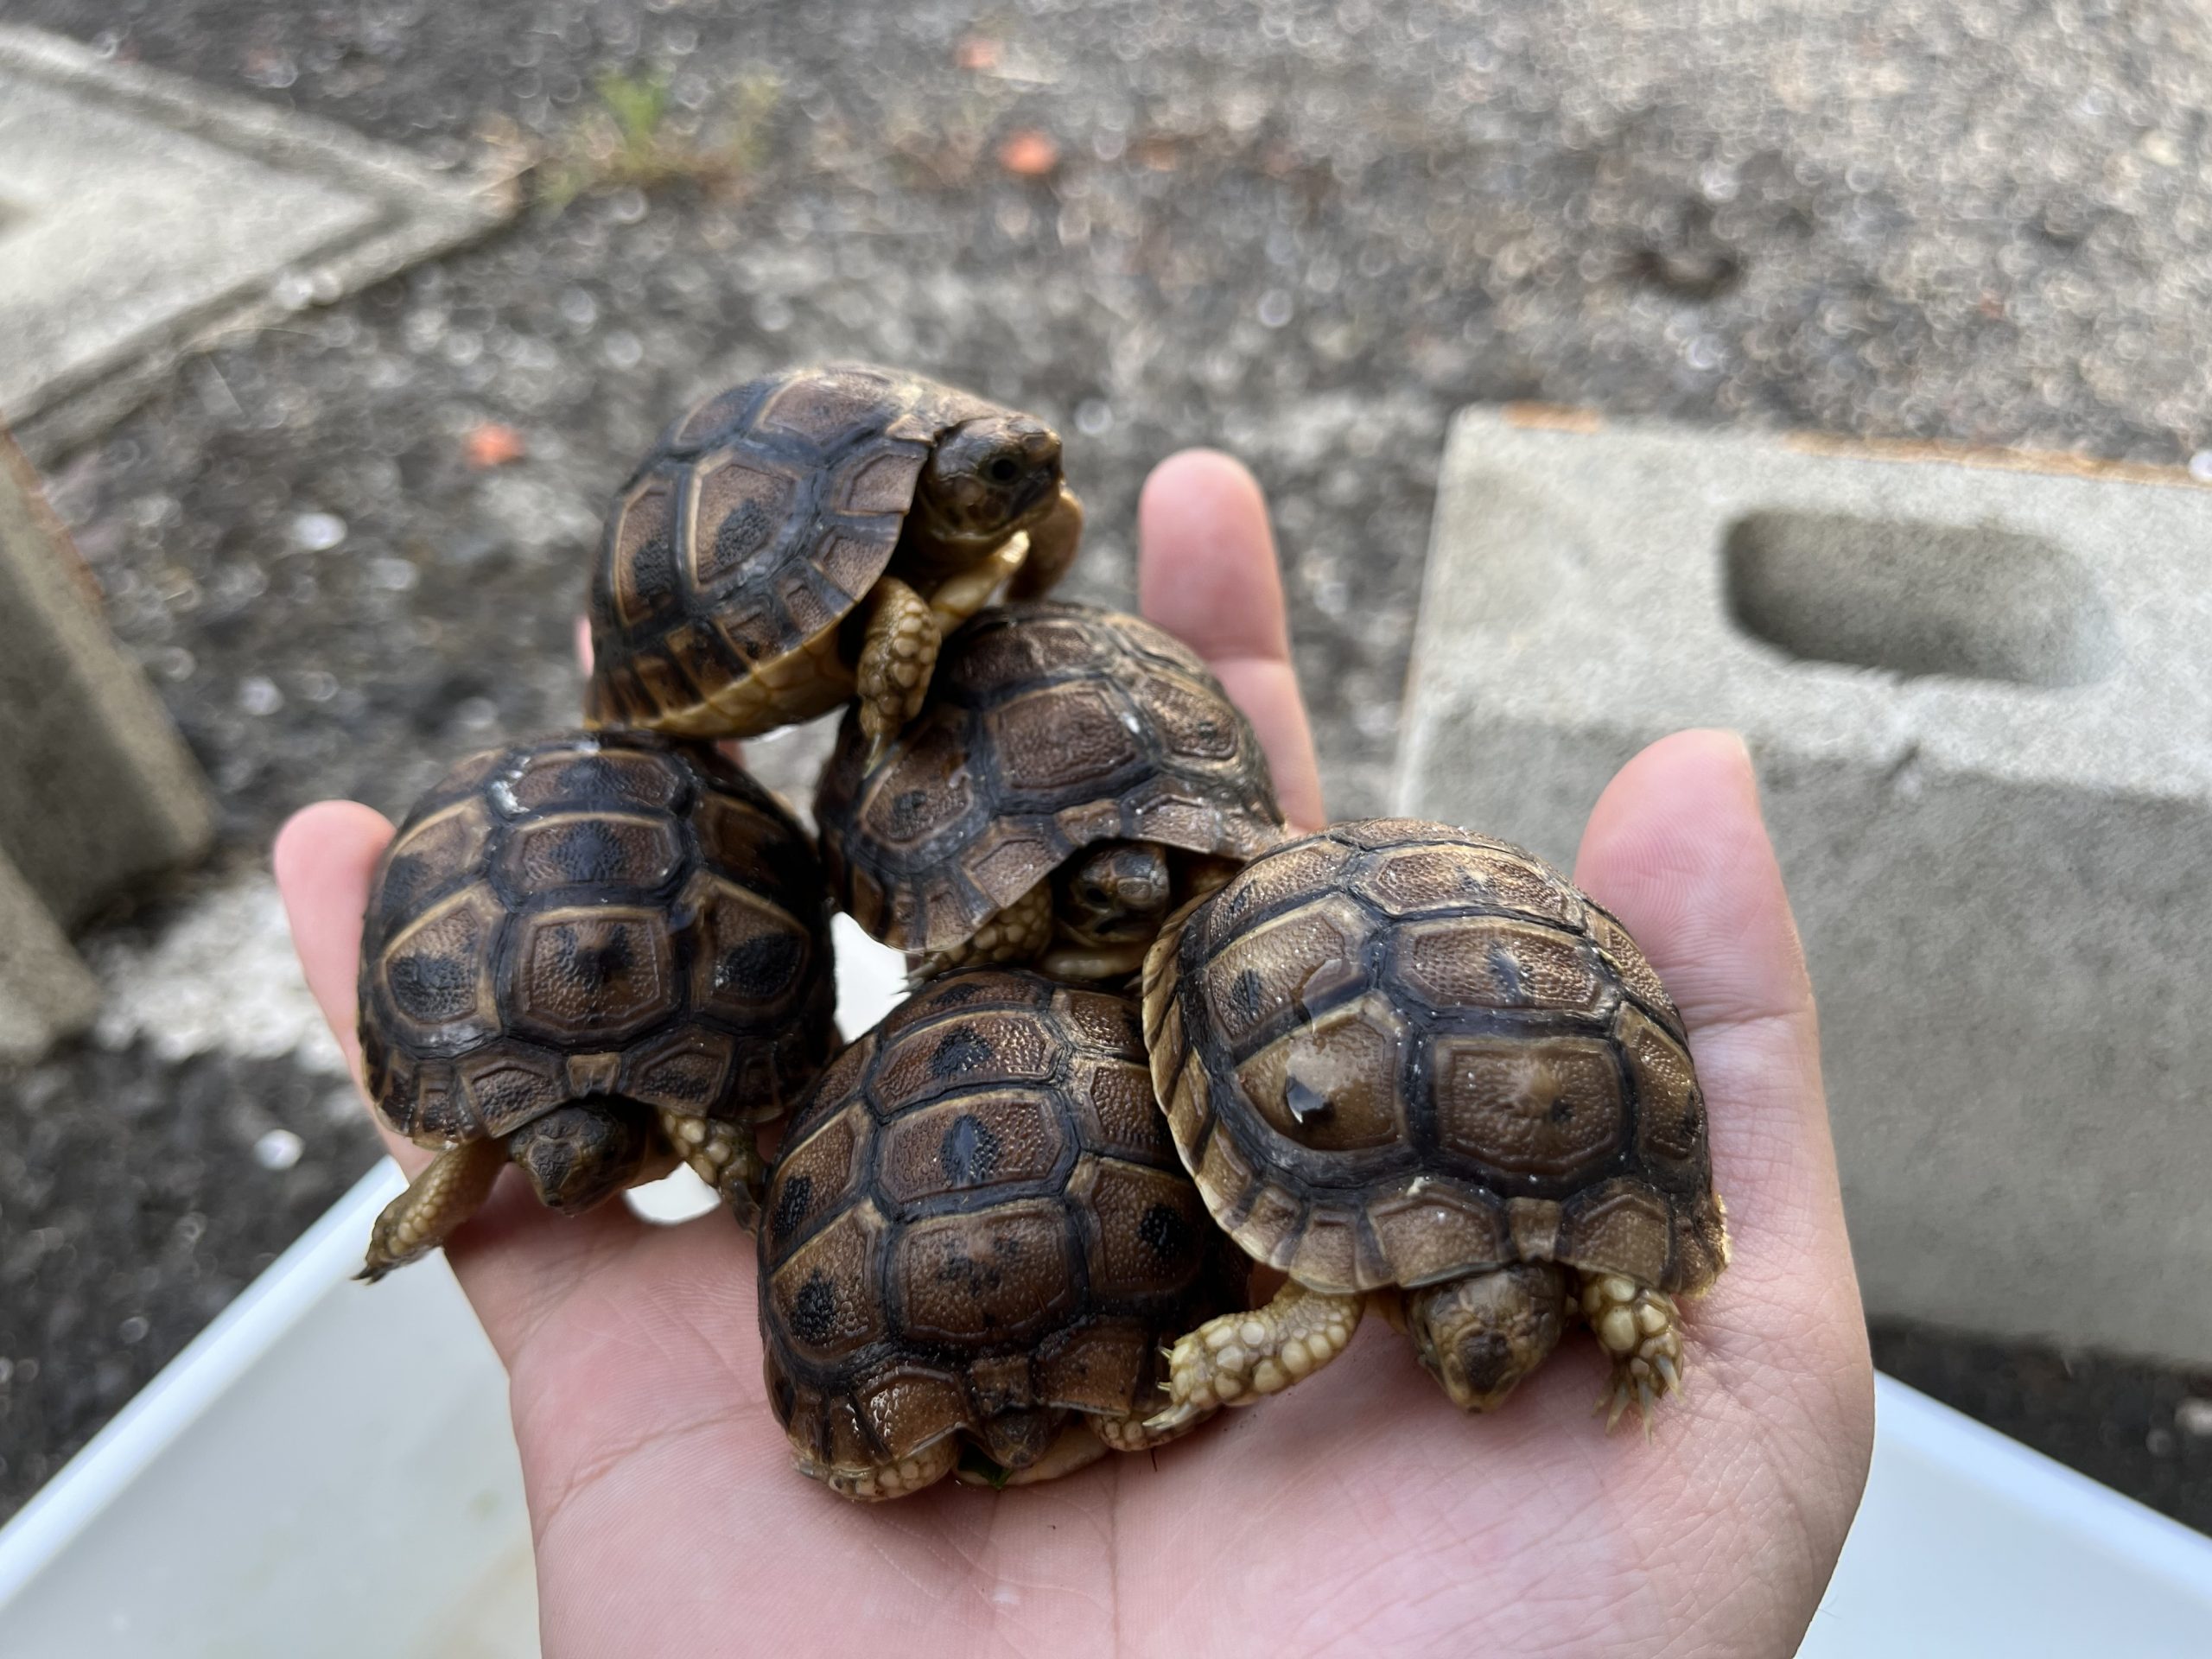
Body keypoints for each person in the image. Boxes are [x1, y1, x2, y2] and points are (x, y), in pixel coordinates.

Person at [276, 451, 1873, 1656]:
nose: (1125, 889)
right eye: (1476, 1350)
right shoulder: (1158, 1006)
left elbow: (1275, 1325)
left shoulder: (1314, 1205)